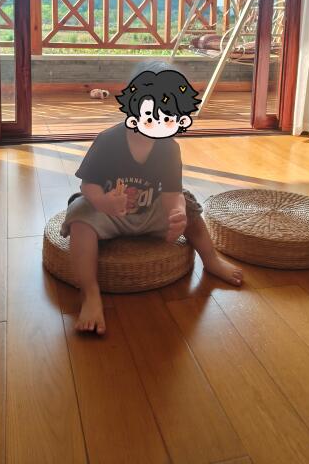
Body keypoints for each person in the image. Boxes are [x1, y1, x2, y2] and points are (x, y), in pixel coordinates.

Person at [61, 61, 243, 335]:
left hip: (149, 213)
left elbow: (172, 194)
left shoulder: (169, 148)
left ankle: (211, 259)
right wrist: (104, 202)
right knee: (79, 215)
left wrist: (177, 215)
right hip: (110, 214)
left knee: (190, 206)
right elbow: (88, 185)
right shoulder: (108, 140)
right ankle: (90, 293)